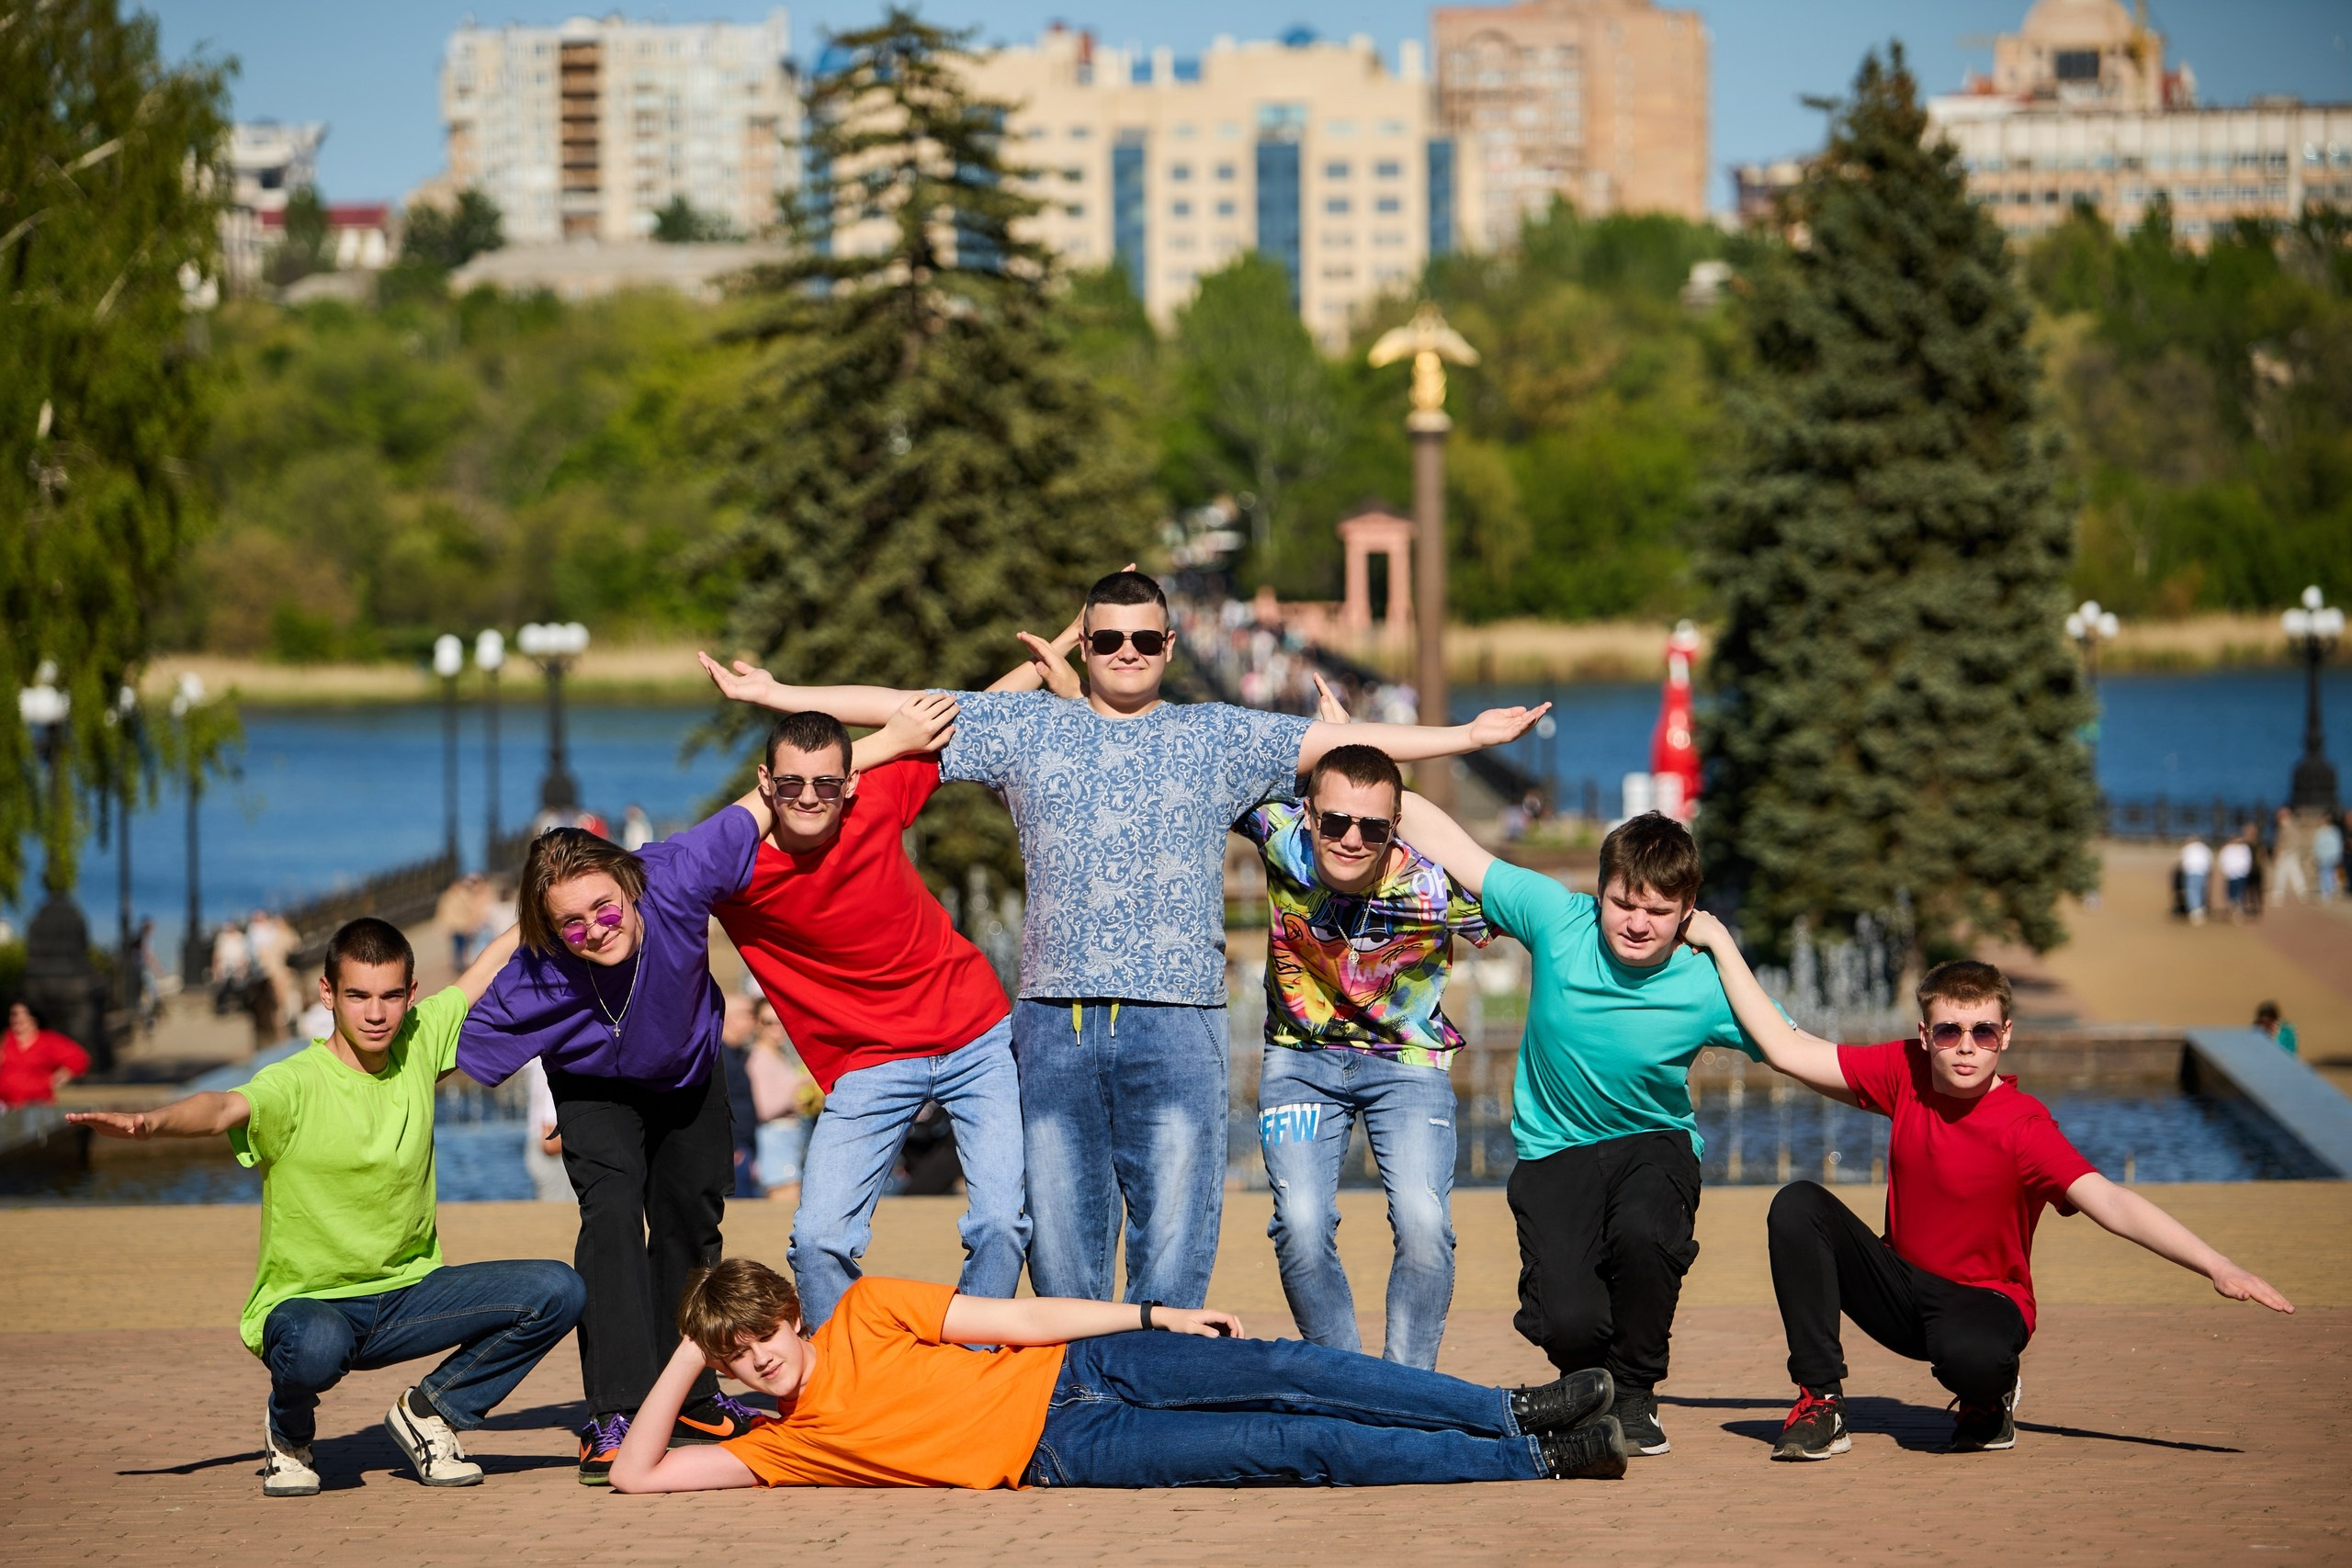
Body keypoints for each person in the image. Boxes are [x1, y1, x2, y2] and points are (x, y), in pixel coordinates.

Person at [704, 569, 1549, 1313]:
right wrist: (782, 699)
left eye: (1144, 637)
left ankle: (1160, 1389)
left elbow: (1347, 749)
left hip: (1176, 1019)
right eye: (1106, 637)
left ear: (1170, 643)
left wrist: (1465, 738)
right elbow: (907, 709)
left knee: (1176, 1234)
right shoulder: (1029, 726)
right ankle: (1075, 1396)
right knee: (1062, 1238)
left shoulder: (1216, 734)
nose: (1125, 650)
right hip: (1054, 1020)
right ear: (1088, 643)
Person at [455, 696, 954, 1484]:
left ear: (629, 882)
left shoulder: (678, 873)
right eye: (572, 924)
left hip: (688, 1076)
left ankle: (687, 1396)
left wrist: (892, 737)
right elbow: (446, 1050)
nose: (594, 930)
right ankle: (615, 1408)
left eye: (603, 909)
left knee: (690, 1224)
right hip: (595, 1091)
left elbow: (777, 791)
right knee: (613, 1217)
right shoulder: (541, 971)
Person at [1674, 931, 2295, 1461]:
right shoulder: (1906, 1071)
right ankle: (1820, 1402)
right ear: (1925, 1033)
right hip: (1903, 1289)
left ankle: (1988, 1398)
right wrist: (1722, 943)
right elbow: (1786, 1048)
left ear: (2006, 1034)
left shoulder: (2025, 1127)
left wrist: (2217, 1264)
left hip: (1984, 1306)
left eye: (1982, 1031)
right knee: (1797, 1204)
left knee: (1967, 1354)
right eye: (1949, 1031)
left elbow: (2113, 1202)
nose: (1966, 1046)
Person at [67, 918, 583, 1497]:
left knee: (558, 1290)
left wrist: (543, 902)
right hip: (311, 1307)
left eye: (391, 996)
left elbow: (482, 972)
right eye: (358, 996)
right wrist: (150, 1124)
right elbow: (220, 1109)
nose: (375, 1013)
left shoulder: (417, 1042)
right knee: (315, 1347)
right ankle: (288, 1435)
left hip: (408, 1295)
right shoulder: (295, 1083)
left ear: (411, 996)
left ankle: (431, 1411)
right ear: (327, 995)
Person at [1392, 799, 1776, 1458]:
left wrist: (1726, 947)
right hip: (1556, 1151)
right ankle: (1587, 1383)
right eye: (1625, 902)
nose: (1637, 922)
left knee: (1643, 1234)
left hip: (1654, 1142)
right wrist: (1357, 756)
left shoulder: (1702, 980)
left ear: (1688, 911)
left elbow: (1785, 1044)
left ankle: (1633, 1390)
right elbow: (1455, 846)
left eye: (1659, 910)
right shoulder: (1556, 917)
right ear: (1600, 891)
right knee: (1568, 1318)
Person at [605, 1259, 1630, 1493]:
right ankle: (1541, 1459)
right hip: (1065, 1450)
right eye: (737, 1356)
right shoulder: (781, 1446)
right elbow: (635, 1478)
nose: (759, 1358)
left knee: (1291, 1368)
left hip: (1080, 1363)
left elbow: (1019, 1317)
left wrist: (1153, 1311)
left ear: (790, 1311)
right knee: (1289, 1446)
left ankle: (1510, 1406)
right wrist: (689, 1342)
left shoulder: (867, 1305)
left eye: (761, 1334)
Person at [705, 705, 1029, 1330]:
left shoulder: (875, 796)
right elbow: (637, 882)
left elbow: (962, 712)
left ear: (849, 782)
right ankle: (847, 1378)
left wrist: (1052, 658)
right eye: (791, 782)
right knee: (819, 1239)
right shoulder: (732, 870)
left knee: (1000, 1222)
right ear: (764, 782)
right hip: (872, 1062)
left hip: (976, 1036)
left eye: (826, 782)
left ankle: (971, 1364)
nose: (809, 796)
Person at [1237, 738, 1491, 1370]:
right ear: (1309, 814)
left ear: (1395, 827)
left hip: (1407, 1065)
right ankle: (1348, 1383)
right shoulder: (1278, 835)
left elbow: (1542, 917)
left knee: (1425, 1224)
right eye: (1336, 821)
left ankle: (1406, 1387)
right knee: (1298, 1223)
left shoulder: (1434, 885)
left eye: (1373, 826)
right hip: (1300, 1059)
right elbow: (1205, 760)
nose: (1352, 837)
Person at [745, 1001, 817, 1207]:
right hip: (775, 1139)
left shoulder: (778, 1055)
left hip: (790, 1137)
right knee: (784, 1203)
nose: (778, 1028)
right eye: (770, 1023)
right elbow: (763, 1109)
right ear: (758, 1024)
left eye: (781, 1021)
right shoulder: (758, 1058)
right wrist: (797, 1087)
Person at [2, 999, 91, 1110]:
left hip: (37, 1104)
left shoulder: (48, 1040)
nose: (14, 1019)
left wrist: (63, 1075)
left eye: (17, 1014)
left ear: (32, 1017)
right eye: (12, 1014)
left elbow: (79, 1057)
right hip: (7, 1105)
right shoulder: (6, 1039)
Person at [2268, 808, 2311, 905]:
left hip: (2286, 853)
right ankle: (2302, 893)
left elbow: (2280, 842)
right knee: (2295, 874)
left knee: (2282, 875)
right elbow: (2298, 840)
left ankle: (2279, 895)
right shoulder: (2293, 825)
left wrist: (2277, 853)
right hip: (2292, 853)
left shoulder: (2285, 825)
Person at [2178, 834, 2213, 925]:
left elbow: (2182, 862)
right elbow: (2210, 861)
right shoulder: (2205, 848)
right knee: (2201, 891)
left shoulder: (2187, 848)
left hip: (2192, 871)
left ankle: (2196, 911)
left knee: (2192, 891)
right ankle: (2200, 909)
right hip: (2202, 872)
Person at [2315, 814, 2345, 902]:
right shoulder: (2320, 832)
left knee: (2330, 874)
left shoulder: (2334, 832)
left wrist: (2338, 856)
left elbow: (2338, 845)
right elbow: (2317, 845)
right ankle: (2325, 892)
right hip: (2323, 856)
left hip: (2331, 856)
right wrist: (2316, 855)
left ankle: (2329, 891)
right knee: (2323, 874)